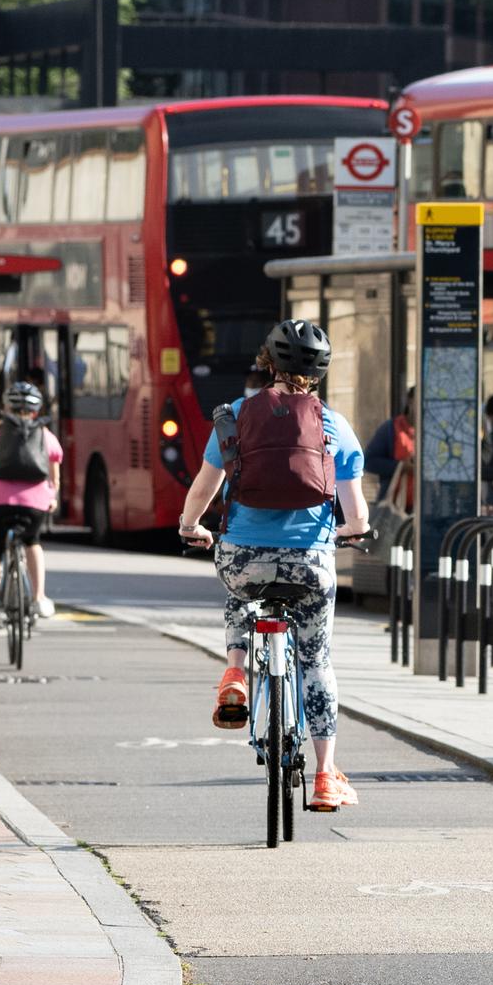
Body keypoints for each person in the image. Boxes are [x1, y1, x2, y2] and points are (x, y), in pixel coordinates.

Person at [177, 319, 370, 812]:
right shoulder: (334, 425)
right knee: (317, 661)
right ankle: (326, 775)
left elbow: (204, 487)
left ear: (268, 362)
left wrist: (191, 526)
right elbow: (357, 515)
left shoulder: (235, 415)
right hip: (311, 562)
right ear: (321, 372)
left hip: (243, 556)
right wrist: (351, 533)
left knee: (241, 588)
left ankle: (236, 671)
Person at [0, 381, 63, 638]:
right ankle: (40, 597)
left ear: (6, 408)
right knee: (32, 542)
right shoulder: (45, 435)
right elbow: (54, 476)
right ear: (35, 410)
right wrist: (51, 497)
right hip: (34, 504)